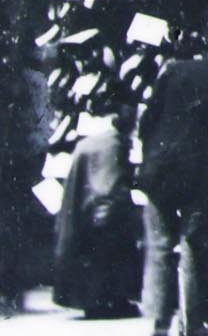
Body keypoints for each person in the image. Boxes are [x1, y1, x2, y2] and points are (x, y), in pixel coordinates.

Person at [135, 34, 208, 336]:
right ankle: (192, 326)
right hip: (198, 179)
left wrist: (152, 159)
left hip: (160, 172)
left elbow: (147, 122)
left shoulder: (174, 69)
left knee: (159, 247)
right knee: (192, 248)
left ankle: (159, 325)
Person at [53, 110, 141, 316]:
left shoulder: (92, 142)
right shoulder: (117, 144)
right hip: (104, 208)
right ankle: (113, 300)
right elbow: (114, 184)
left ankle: (95, 301)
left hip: (83, 210)